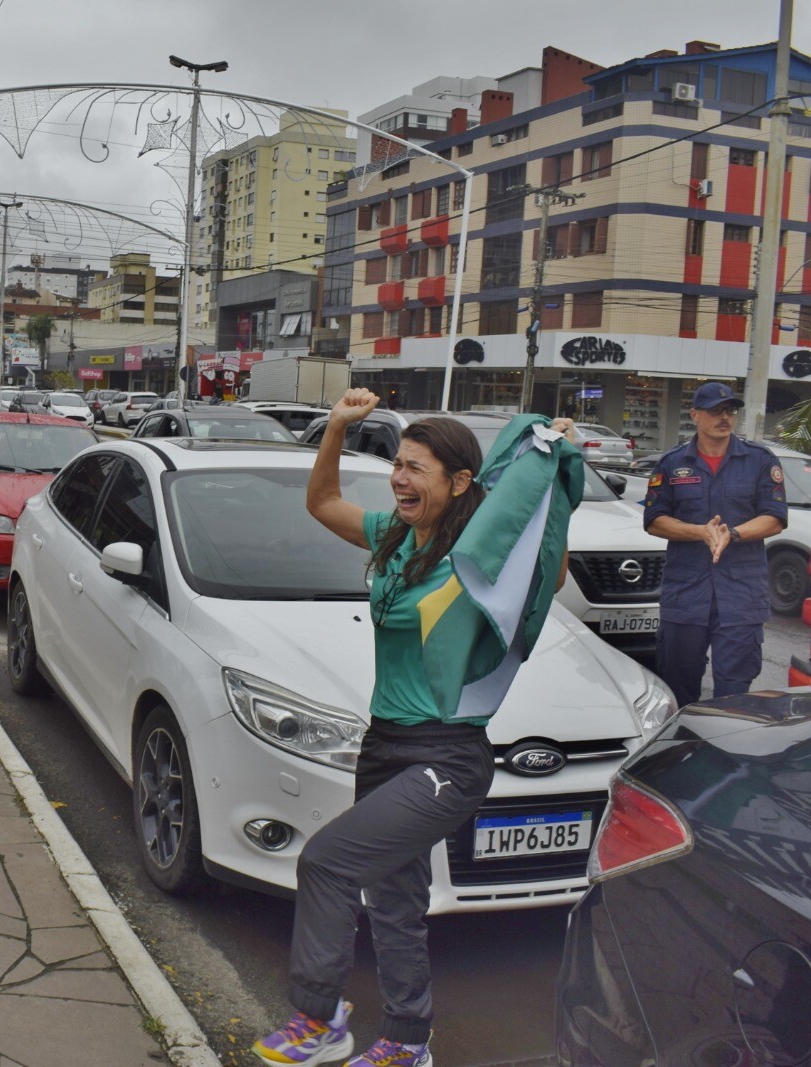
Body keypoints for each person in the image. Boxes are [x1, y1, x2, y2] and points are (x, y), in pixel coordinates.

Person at [253, 390, 581, 1067]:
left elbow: (545, 567)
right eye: (398, 463)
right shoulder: (396, 536)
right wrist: (338, 428)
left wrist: (547, 476)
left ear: (459, 482)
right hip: (384, 746)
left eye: (416, 468)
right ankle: (407, 1040)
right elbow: (322, 503)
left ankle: (318, 1018)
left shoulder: (478, 558)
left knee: (327, 860)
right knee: (394, 901)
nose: (400, 477)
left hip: (448, 756)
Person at [643, 381, 786, 709]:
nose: (724, 417)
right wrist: (700, 532)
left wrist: (732, 534)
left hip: (741, 594)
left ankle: (726, 757)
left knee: (735, 694)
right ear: (694, 414)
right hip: (686, 592)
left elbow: (775, 517)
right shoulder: (672, 464)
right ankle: (680, 752)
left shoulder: (760, 460)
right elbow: (654, 519)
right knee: (678, 687)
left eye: (730, 411)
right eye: (715, 411)